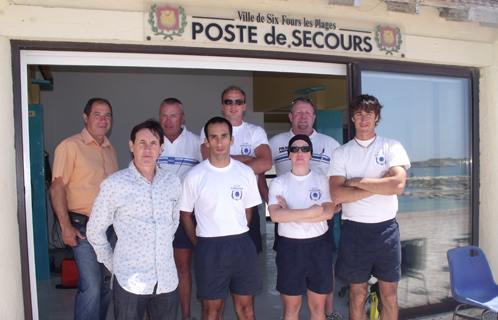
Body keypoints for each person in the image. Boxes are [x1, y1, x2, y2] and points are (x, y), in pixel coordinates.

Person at [87, 119, 181, 320]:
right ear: (131, 146)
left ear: (161, 148)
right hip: (130, 281)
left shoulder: (172, 182)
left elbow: (174, 222)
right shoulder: (115, 184)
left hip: (166, 280)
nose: (148, 149)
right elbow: (95, 229)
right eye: (142, 143)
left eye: (153, 143)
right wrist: (112, 263)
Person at [328, 94, 410, 320]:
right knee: (357, 295)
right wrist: (381, 185)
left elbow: (399, 184)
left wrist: (355, 182)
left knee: (390, 296)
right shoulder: (341, 153)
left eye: (369, 115)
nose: (363, 119)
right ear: (352, 118)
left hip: (386, 231)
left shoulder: (392, 146)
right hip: (355, 232)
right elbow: (336, 194)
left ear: (377, 117)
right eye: (358, 115)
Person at [265, 97, 342, 319]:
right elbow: (277, 216)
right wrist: (312, 212)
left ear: (311, 152)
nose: (299, 153)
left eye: (304, 149)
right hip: (290, 246)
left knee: (317, 308)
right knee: (291, 308)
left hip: (318, 243)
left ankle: (330, 311)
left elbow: (328, 211)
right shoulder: (279, 180)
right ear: (288, 153)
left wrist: (292, 214)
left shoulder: (322, 173)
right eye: (295, 149)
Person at [182, 116, 263, 320]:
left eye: (224, 136)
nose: (219, 142)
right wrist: (200, 244)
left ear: (231, 140)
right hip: (209, 248)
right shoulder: (194, 176)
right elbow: (185, 215)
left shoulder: (245, 173)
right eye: (214, 137)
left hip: (242, 246)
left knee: (246, 311)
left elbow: (248, 211)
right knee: (212, 313)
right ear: (206, 142)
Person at [50, 98, 118, 320]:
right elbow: (57, 186)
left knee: (106, 285)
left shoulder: (110, 150)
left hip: (110, 231)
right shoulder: (70, 146)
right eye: (97, 114)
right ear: (86, 117)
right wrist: (65, 227)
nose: (103, 119)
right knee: (91, 286)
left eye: (107, 115)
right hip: (83, 229)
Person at [200, 85, 272, 253]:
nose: (233, 106)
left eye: (238, 102)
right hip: (217, 202)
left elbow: (266, 163)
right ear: (222, 105)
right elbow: (208, 161)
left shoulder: (255, 132)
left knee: (249, 256)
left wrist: (226, 162)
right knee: (219, 257)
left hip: (247, 202)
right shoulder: (208, 129)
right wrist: (249, 159)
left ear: (244, 106)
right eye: (229, 101)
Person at [157, 98, 202, 320]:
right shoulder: (152, 140)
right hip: (156, 217)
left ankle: (186, 316)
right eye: (164, 115)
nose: (168, 120)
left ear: (182, 118)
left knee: (183, 268)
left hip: (186, 216)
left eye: (173, 115)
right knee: (155, 268)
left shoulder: (196, 142)